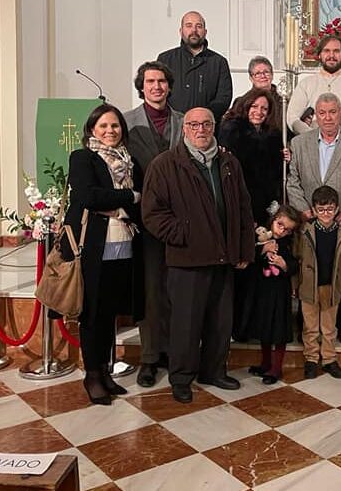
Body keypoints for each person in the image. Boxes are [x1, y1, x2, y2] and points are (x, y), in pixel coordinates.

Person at [142, 108, 255, 403]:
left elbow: (244, 208)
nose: (201, 130)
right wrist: (185, 234)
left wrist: (244, 248)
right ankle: (181, 378)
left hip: (223, 257)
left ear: (214, 127)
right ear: (184, 129)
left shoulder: (228, 162)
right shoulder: (165, 164)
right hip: (187, 259)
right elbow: (152, 214)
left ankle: (214, 371)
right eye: (194, 125)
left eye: (206, 124)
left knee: (220, 321)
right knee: (186, 324)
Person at [64, 104, 143, 405]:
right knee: (92, 312)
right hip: (92, 246)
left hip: (123, 243)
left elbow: (139, 201)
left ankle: (106, 372)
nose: (110, 131)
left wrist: (120, 202)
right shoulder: (83, 157)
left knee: (110, 312)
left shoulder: (129, 160)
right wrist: (129, 196)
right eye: (104, 126)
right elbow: (88, 196)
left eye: (115, 126)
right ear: (92, 130)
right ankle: (92, 375)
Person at [286, 93, 341, 344]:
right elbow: (293, 180)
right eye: (322, 113)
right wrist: (304, 210)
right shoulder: (299, 143)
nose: (328, 117)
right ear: (316, 116)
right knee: (311, 272)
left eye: (333, 112)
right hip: (310, 223)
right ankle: (307, 330)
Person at [123, 61, 183, 388]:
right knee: (149, 289)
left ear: (169, 86)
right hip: (143, 218)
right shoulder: (126, 122)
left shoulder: (184, 121)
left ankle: (174, 352)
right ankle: (149, 357)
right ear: (141, 86)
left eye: (161, 81)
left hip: (179, 218)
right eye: (150, 81)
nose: (156, 86)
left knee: (176, 287)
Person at [218, 87, 289, 341]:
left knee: (260, 271)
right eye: (254, 107)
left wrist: (286, 157)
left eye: (264, 109)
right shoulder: (231, 131)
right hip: (239, 208)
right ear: (246, 107)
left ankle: (253, 326)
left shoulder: (273, 136)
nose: (259, 112)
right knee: (240, 270)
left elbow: (275, 175)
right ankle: (235, 327)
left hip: (265, 208)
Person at [294, 185, 341, 379]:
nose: (326, 213)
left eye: (330, 209)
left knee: (329, 327)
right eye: (321, 210)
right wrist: (294, 285)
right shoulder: (305, 230)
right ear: (313, 210)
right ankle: (311, 359)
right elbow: (297, 259)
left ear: (337, 209)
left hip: (332, 285)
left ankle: (329, 359)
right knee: (310, 326)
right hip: (308, 285)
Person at [244, 205, 303, 385]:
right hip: (262, 291)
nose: (282, 231)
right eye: (280, 225)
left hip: (279, 292)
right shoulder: (260, 236)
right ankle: (265, 363)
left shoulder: (290, 243)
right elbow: (250, 258)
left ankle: (276, 368)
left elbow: (295, 264)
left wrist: (284, 265)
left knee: (278, 329)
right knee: (264, 328)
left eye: (288, 229)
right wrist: (263, 251)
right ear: (274, 219)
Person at [286, 35, 341, 135]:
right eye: (327, 51)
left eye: (336, 51)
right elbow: (292, 117)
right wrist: (311, 136)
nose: (331, 55)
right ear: (319, 55)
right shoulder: (306, 84)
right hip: (313, 142)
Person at [157, 10, 233, 116]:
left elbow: (223, 99)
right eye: (189, 26)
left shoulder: (219, 62)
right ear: (181, 31)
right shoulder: (165, 59)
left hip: (207, 124)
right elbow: (158, 93)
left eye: (199, 26)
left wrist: (202, 118)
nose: (194, 30)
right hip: (172, 123)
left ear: (205, 32)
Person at [228, 56, 283, 125]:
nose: (263, 76)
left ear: (272, 75)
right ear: (251, 78)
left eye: (266, 72)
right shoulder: (240, 102)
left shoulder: (283, 102)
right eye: (258, 73)